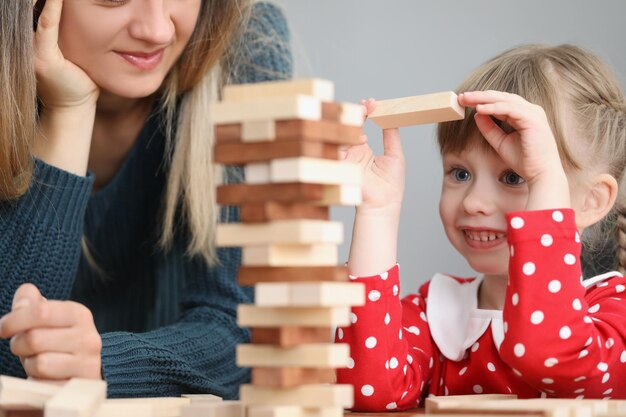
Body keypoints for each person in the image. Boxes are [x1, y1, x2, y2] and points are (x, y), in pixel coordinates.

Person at [0, 0, 292, 398]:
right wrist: (68, 110)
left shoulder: (243, 41)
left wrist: (105, 364)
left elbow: (245, 329)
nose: (157, 30)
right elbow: (7, 355)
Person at [336, 44, 626, 410]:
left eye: (515, 177)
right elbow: (368, 391)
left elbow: (549, 354)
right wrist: (377, 211)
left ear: (591, 201)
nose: (474, 202)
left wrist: (546, 183)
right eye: (460, 173)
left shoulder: (613, 312)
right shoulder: (436, 312)